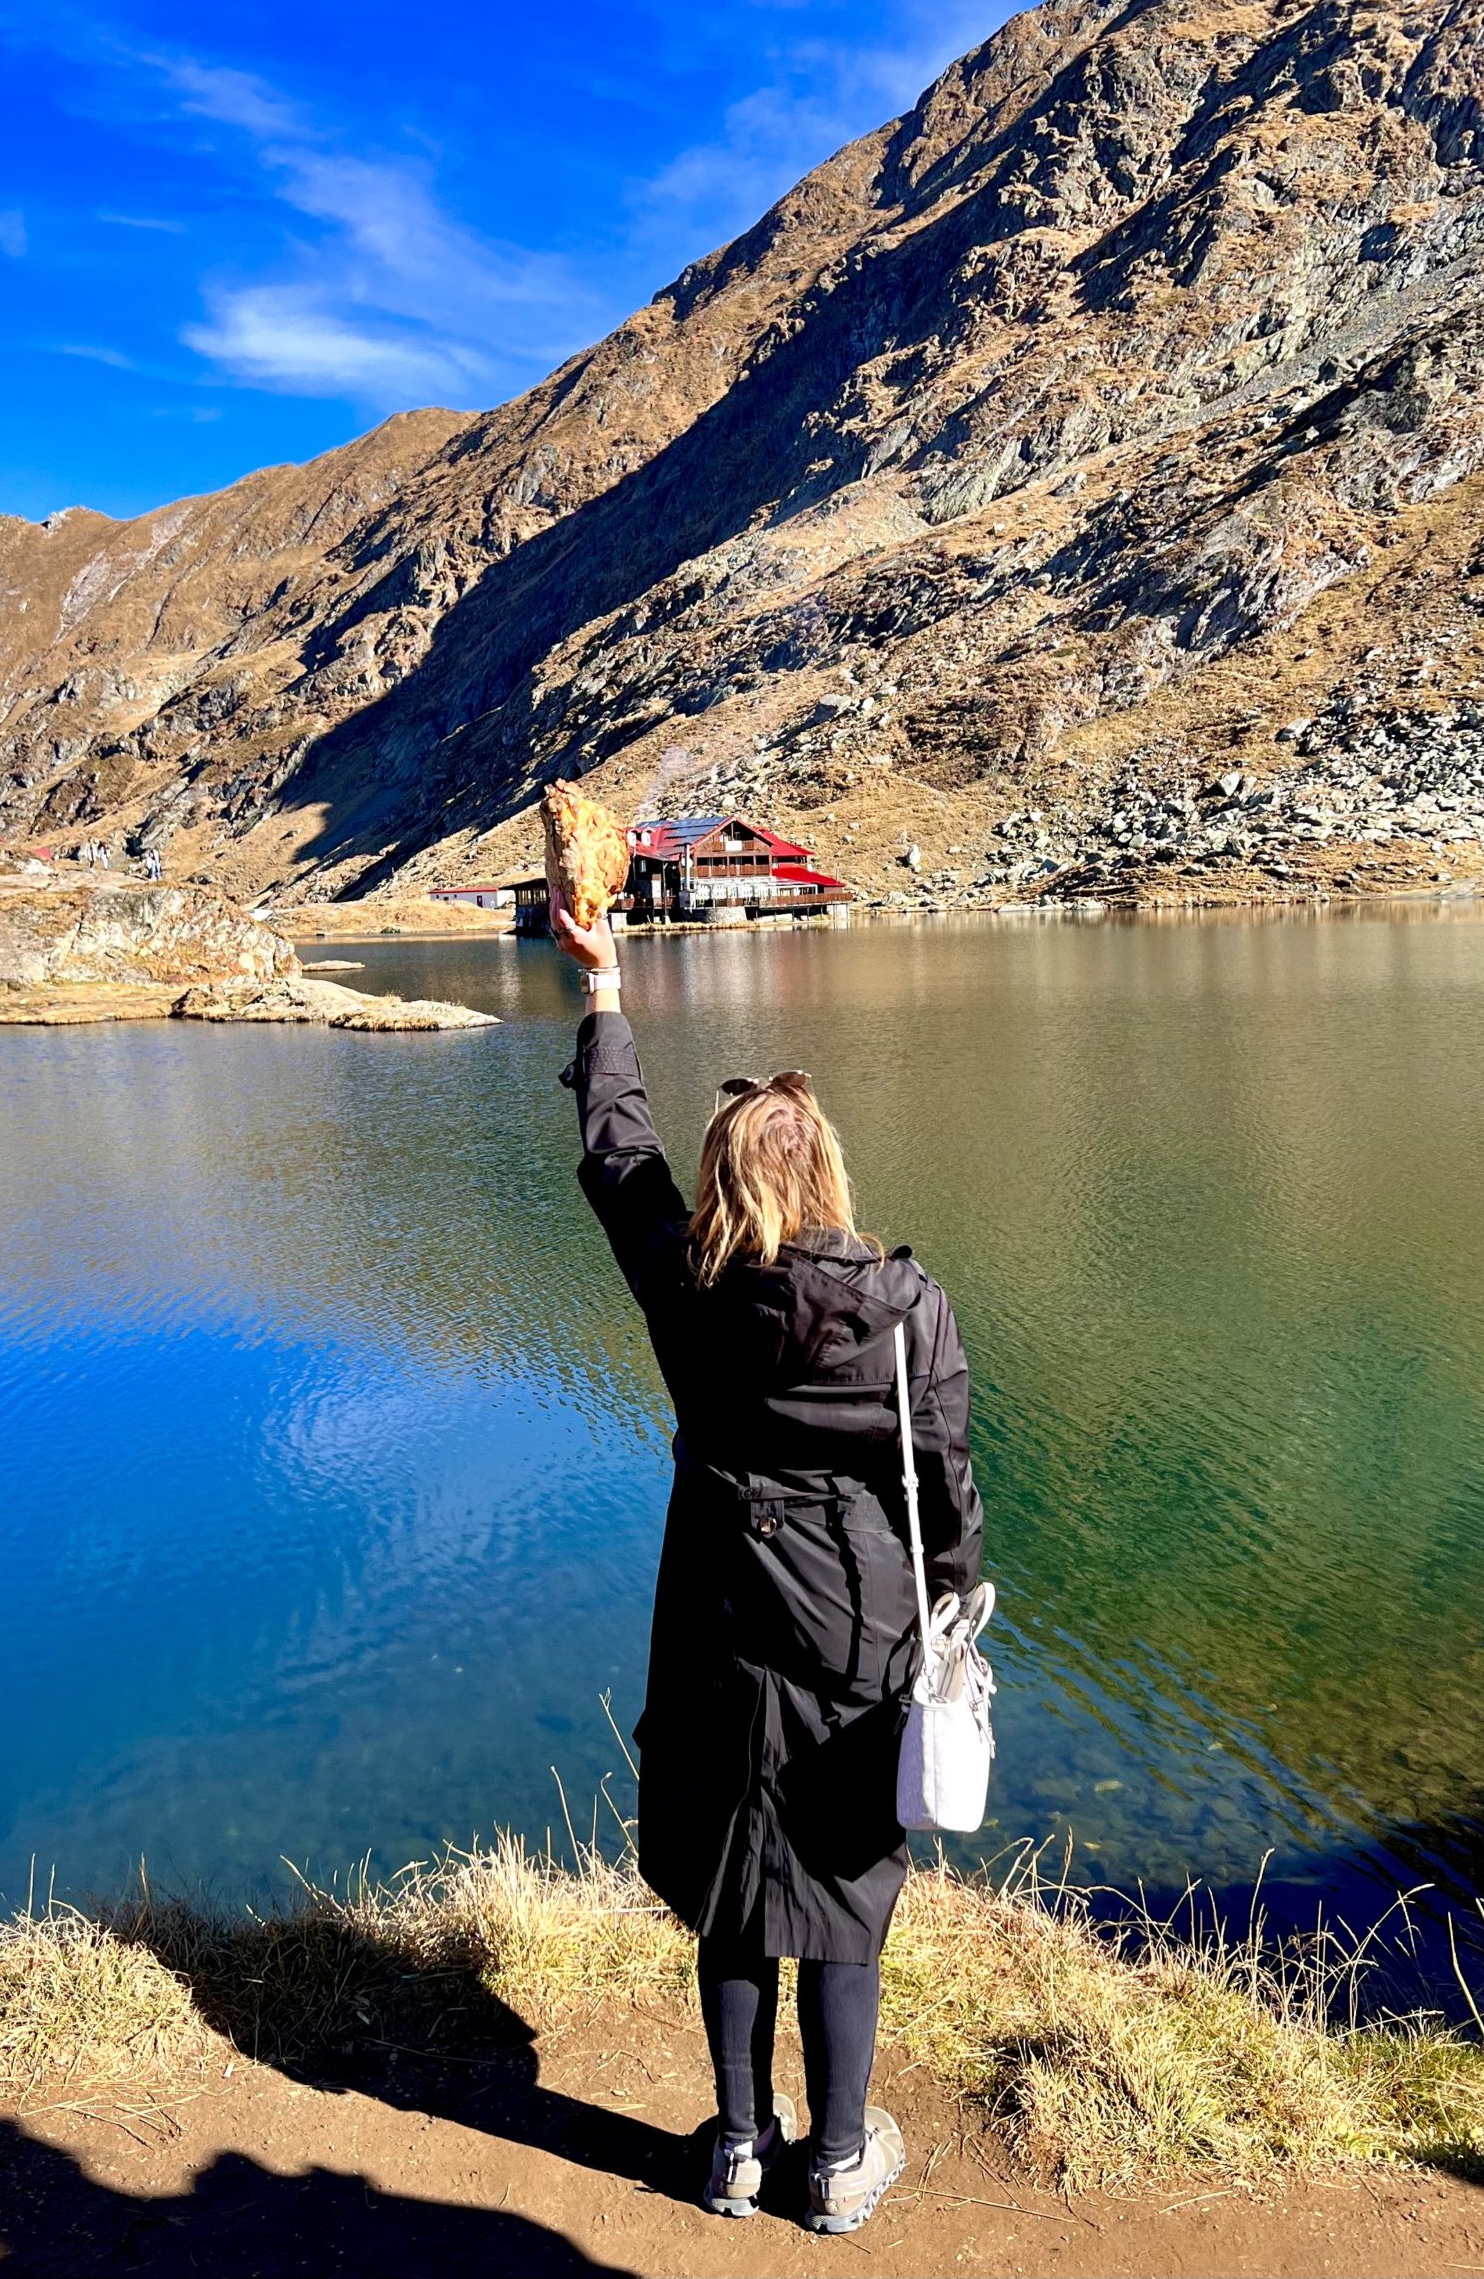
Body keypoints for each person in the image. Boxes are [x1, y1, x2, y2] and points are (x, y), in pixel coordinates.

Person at [550, 890, 983, 2238]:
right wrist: (957, 1605)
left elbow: (617, 1156)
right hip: (857, 1633)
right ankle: (840, 2161)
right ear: (826, 1172)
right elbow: (945, 1487)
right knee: (843, 1892)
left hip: (715, 1629)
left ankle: (739, 2148)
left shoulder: (687, 1287)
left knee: (734, 1891)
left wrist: (606, 990)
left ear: (726, 1178)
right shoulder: (904, 1310)